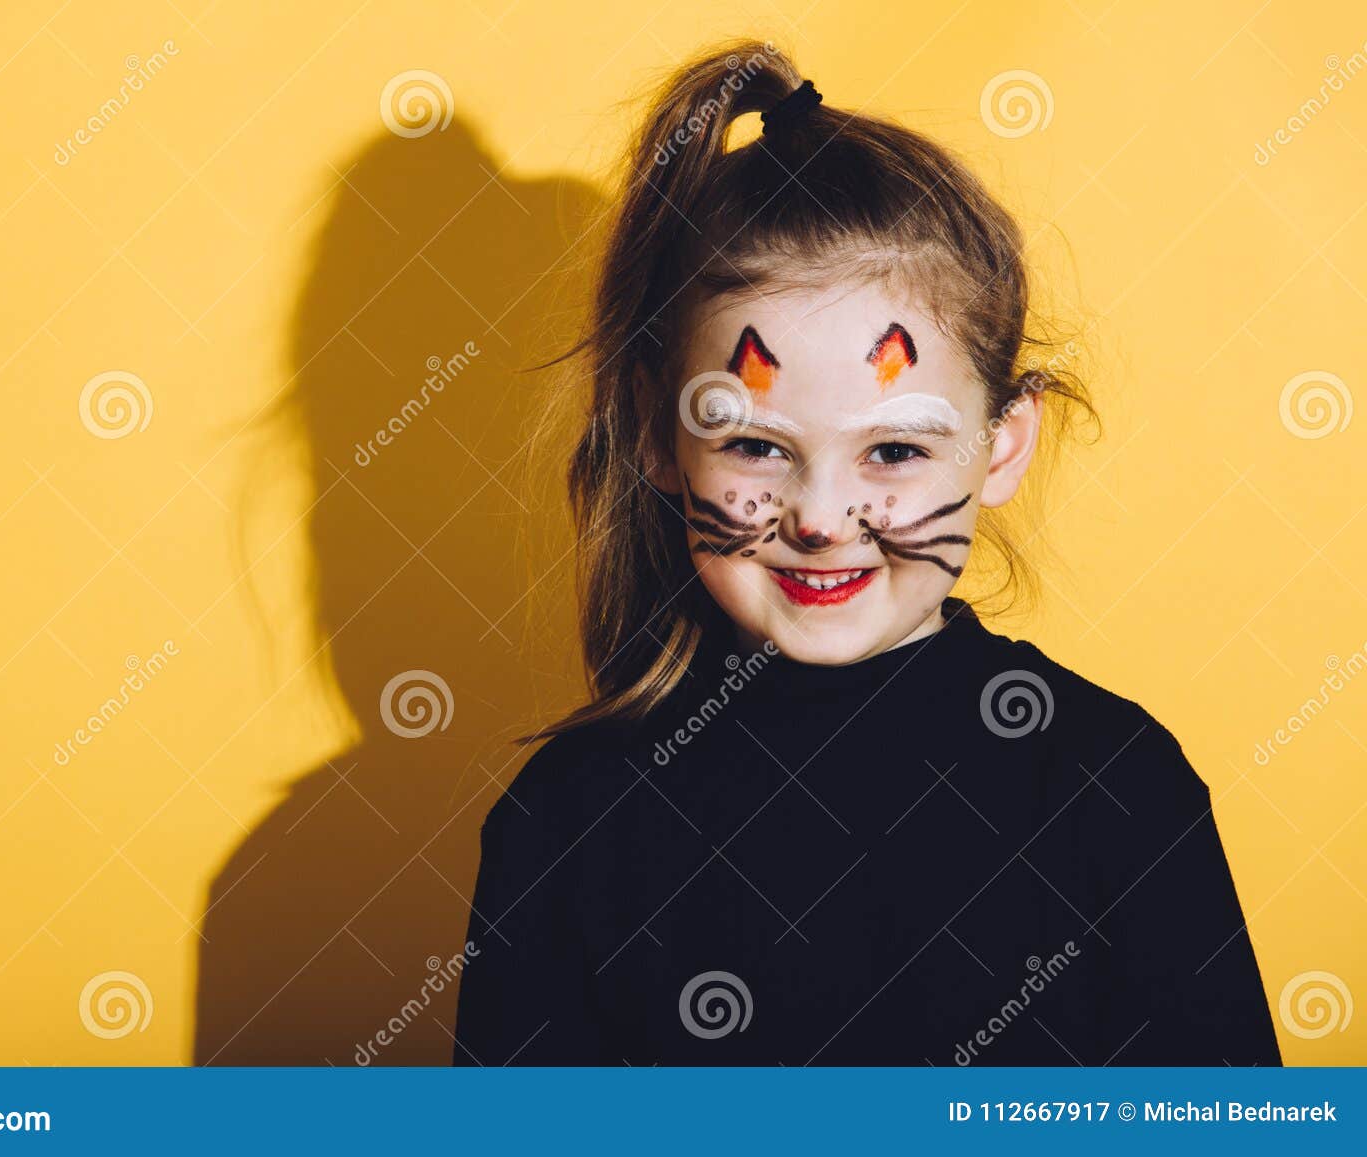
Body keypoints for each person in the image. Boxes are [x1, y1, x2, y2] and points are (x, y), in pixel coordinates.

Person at [451, 40, 1280, 1066]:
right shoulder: (564, 823)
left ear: (1000, 444)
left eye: (891, 448)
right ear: (656, 437)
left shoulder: (1116, 788)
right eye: (756, 444)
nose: (823, 517)